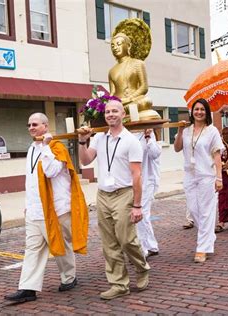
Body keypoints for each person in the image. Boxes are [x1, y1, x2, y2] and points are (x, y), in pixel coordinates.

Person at [4, 113, 88, 303]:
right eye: (29, 125)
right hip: (35, 210)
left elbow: (50, 172)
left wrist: (46, 147)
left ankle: (69, 277)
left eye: (35, 124)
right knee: (33, 248)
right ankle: (28, 288)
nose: (31, 127)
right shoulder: (32, 148)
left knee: (62, 246)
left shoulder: (57, 148)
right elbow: (31, 181)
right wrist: (28, 205)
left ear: (46, 126)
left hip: (57, 209)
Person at [78, 100, 150, 300]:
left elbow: (137, 176)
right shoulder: (99, 138)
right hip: (103, 195)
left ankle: (142, 267)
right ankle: (119, 284)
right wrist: (83, 141)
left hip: (124, 193)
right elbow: (85, 160)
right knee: (109, 243)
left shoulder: (131, 141)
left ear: (123, 114)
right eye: (108, 111)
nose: (110, 114)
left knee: (127, 240)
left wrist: (137, 205)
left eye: (114, 111)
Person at [174, 98, 224, 263]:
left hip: (206, 175)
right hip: (190, 175)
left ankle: (202, 248)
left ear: (207, 112)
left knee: (206, 211)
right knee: (194, 210)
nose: (199, 112)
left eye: (202, 109)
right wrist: (180, 131)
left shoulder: (212, 131)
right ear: (192, 112)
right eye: (196, 109)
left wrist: (219, 178)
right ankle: (209, 237)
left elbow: (217, 155)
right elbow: (177, 148)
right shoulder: (187, 130)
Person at [108, 33, 160, 121]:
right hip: (120, 103)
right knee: (109, 110)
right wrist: (107, 103)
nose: (115, 48)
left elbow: (144, 87)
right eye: (112, 46)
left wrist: (129, 98)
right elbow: (112, 93)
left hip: (133, 100)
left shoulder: (138, 63)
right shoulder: (111, 71)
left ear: (128, 46)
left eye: (118, 44)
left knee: (146, 101)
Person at [133, 129, 161, 258]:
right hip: (131, 180)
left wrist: (148, 137)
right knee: (143, 214)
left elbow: (155, 154)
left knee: (141, 213)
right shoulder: (124, 133)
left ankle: (142, 250)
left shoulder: (148, 132)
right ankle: (152, 245)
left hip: (147, 179)